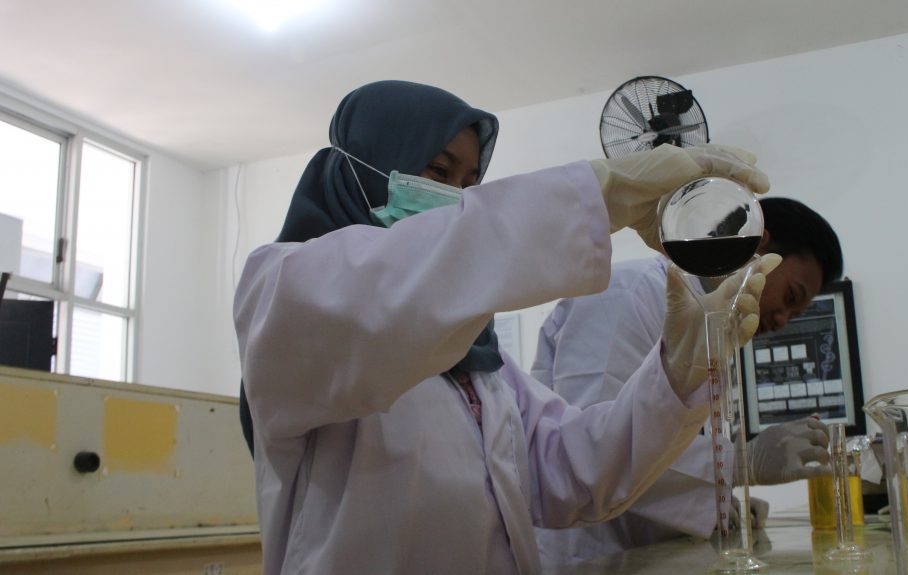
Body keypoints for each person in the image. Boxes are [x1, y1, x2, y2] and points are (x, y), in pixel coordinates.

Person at [233, 79, 777, 575]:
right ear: (361, 165)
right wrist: (597, 194)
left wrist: (678, 371)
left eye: (471, 183)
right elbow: (388, 296)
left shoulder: (481, 370)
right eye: (438, 171)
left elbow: (576, 471)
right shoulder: (283, 293)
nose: (456, 198)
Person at [532, 197, 844, 566]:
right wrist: (737, 464)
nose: (782, 321)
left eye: (794, 314)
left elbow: (665, 438)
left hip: (644, 557)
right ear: (759, 243)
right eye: (791, 297)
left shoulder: (713, 329)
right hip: (591, 557)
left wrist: (720, 504)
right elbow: (592, 456)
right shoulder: (630, 294)